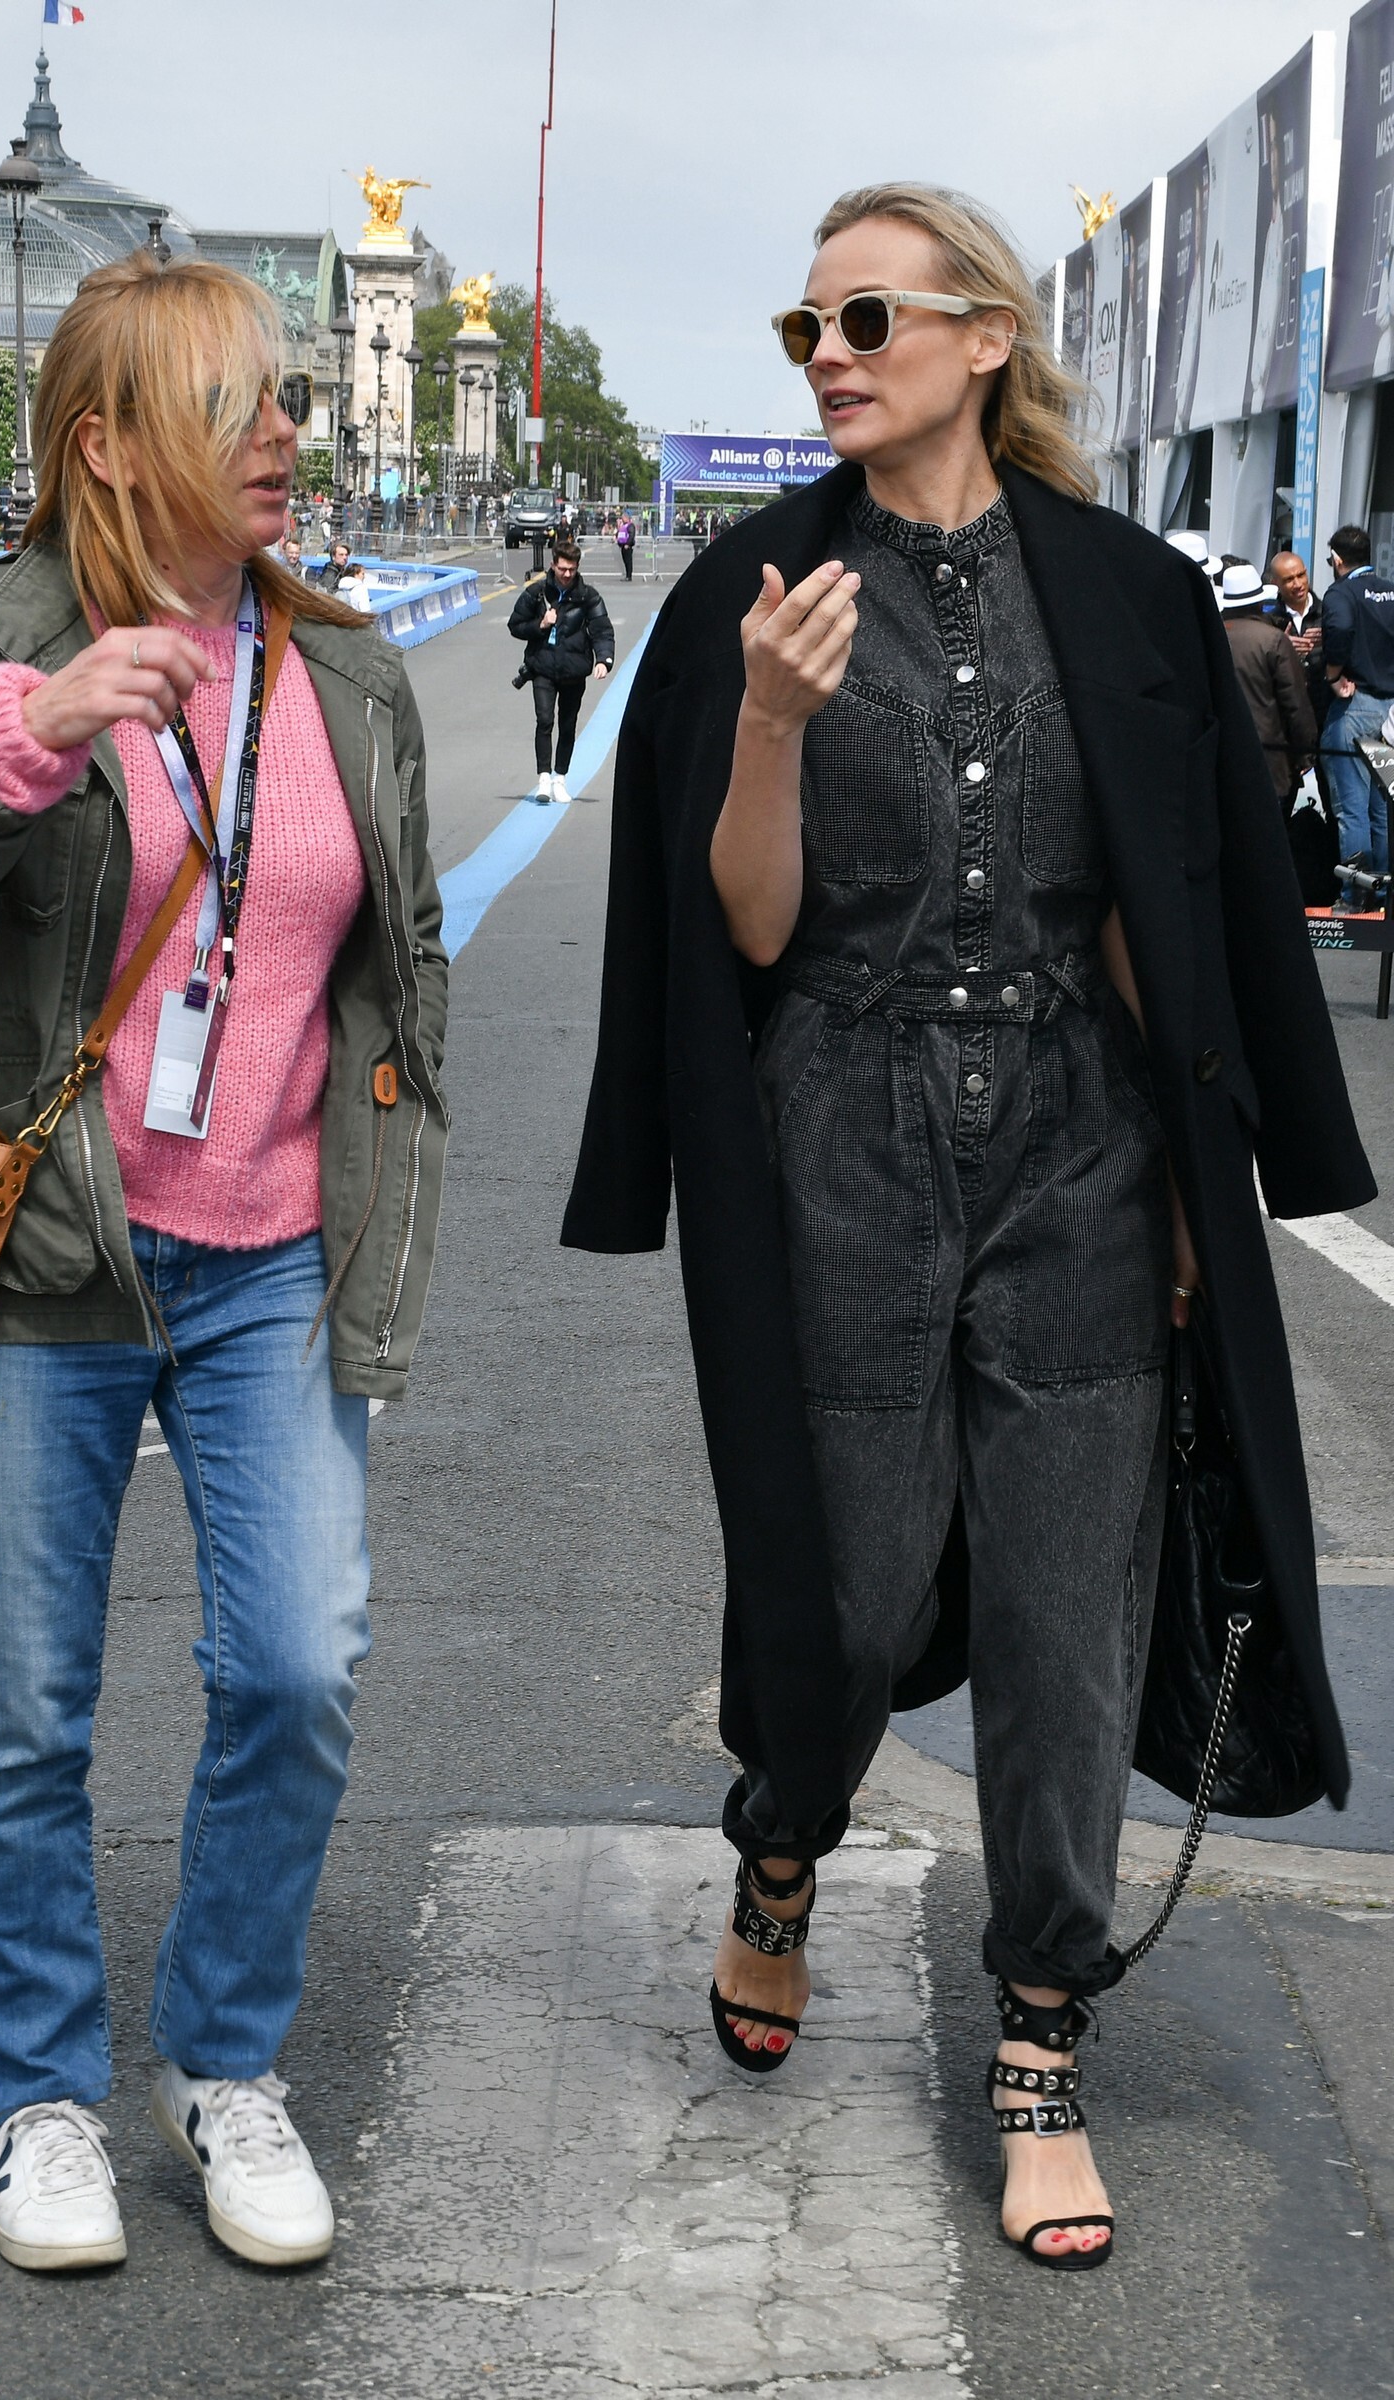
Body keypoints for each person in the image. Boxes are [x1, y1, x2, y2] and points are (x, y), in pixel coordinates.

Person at [563, 180, 1372, 2272]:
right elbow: (743, 932)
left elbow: (1154, 908)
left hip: (1078, 1153)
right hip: (838, 1135)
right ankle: (782, 1841)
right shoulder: (748, 590)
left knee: (1065, 1621)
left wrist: (1195, 1190)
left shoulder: (1126, 593)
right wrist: (766, 717)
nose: (828, 356)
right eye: (805, 327)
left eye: (867, 319)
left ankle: (1038, 2040)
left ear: (983, 337)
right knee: (837, 1601)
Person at [0, 252, 449, 2277]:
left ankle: (221, 2059)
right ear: (104, 444)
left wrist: (393, 1162)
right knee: (23, 1699)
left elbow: (396, 951)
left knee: (295, 1665)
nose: (283, 436)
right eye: (233, 407)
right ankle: (39, 2093)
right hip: (48, 1248)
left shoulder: (342, 665)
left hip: (275, 1254)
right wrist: (27, 736)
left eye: (285, 401)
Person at [508, 541, 614, 802]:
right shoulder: (536, 593)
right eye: (563, 568)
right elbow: (515, 625)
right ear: (553, 565)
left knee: (568, 725)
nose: (567, 574)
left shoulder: (588, 596)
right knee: (544, 721)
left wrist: (603, 660)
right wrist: (541, 624)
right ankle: (543, 779)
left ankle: (560, 778)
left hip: (574, 671)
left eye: (572, 569)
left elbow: (602, 629)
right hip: (542, 667)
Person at [1319, 523, 1394, 873]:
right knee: (1383, 809)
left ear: (1337, 560)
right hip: (1390, 713)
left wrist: (1333, 674)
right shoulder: (1390, 591)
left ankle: (1356, 892)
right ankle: (1384, 891)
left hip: (1356, 705)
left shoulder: (1340, 593)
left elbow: (1341, 627)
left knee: (1352, 810)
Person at [1216, 561, 1316, 810]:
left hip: (1219, 756)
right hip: (1268, 759)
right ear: (1260, 601)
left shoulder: (1210, 636)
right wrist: (1305, 753)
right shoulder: (1273, 640)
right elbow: (1296, 704)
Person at [1270, 547, 1329, 731]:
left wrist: (1330, 639)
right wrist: (1282, 649)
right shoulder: (1270, 622)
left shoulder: (1329, 613)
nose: (1298, 584)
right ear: (1275, 583)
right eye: (1289, 580)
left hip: (1327, 711)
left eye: (1301, 575)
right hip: (1288, 717)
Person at [615, 509, 636, 581]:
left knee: (628, 561)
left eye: (623, 518)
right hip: (622, 546)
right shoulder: (623, 526)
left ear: (626, 518)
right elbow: (618, 533)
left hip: (627, 546)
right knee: (625, 561)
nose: (622, 519)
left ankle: (629, 576)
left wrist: (628, 544)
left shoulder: (630, 525)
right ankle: (627, 575)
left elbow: (631, 535)